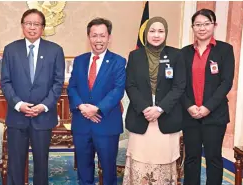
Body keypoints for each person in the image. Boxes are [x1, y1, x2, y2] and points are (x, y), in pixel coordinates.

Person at [0, 9, 65, 185]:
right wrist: (18, 104)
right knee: (15, 164)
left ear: (43, 28)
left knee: (41, 164)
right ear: (22, 26)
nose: (32, 27)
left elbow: (58, 84)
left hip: (43, 116)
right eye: (28, 23)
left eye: (36, 24)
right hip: (17, 116)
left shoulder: (55, 50)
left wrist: (43, 106)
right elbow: (5, 82)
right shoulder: (10, 49)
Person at [123, 17, 186, 184]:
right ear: (145, 33)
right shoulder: (135, 55)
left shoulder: (176, 55)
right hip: (140, 114)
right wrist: (145, 108)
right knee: (141, 157)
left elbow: (179, 86)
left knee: (163, 157)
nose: (156, 35)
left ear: (166, 33)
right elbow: (130, 85)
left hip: (167, 114)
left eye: (161, 31)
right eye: (152, 31)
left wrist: (160, 109)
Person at [67, 18, 126, 185]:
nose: (98, 40)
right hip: (82, 123)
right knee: (83, 169)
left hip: (106, 124)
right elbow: (72, 88)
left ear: (109, 37)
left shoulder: (118, 61)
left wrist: (97, 109)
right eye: (94, 36)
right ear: (88, 37)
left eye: (102, 35)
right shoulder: (79, 60)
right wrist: (81, 107)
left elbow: (118, 90)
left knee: (108, 170)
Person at [181, 9, 235, 185]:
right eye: (198, 24)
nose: (202, 28)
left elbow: (226, 83)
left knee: (213, 158)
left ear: (214, 25)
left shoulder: (225, 50)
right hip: (190, 115)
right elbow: (179, 85)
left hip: (215, 115)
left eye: (206, 24)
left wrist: (207, 107)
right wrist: (189, 106)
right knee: (191, 158)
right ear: (192, 28)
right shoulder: (184, 53)